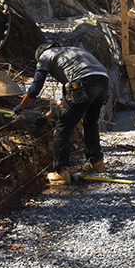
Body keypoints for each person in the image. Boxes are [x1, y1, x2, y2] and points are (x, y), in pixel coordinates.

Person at [14, 42, 110, 184]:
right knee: (90, 123)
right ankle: (97, 163)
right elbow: (66, 102)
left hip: (84, 81)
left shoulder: (46, 55)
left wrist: (20, 106)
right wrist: (47, 117)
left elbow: (35, 88)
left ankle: (61, 171)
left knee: (63, 127)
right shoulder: (71, 54)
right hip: (103, 81)